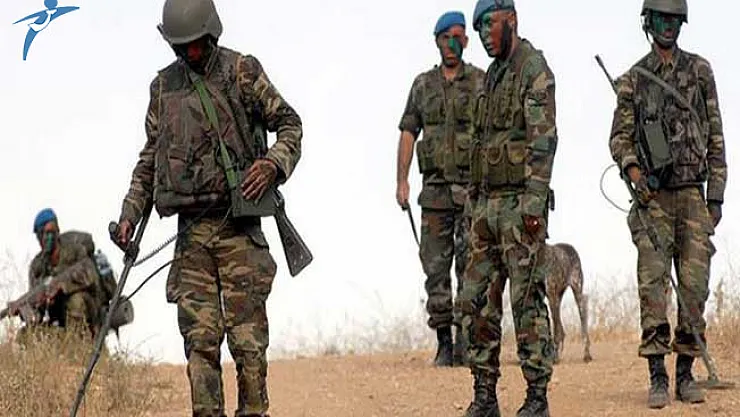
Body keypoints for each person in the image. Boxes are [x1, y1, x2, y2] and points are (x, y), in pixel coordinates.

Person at [113, 0, 302, 416]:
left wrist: (272, 164)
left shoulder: (241, 71)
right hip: (191, 236)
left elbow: (290, 123)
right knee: (199, 341)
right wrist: (129, 213)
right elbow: (150, 159)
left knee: (248, 341)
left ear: (212, 33)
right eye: (182, 46)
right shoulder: (163, 87)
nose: (191, 52)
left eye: (197, 44)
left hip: (239, 228)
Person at [608, 0, 726, 409]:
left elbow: (715, 134)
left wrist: (716, 195)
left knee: (694, 288)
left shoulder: (700, 71)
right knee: (653, 287)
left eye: (675, 20)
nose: (668, 26)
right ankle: (657, 374)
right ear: (649, 21)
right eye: (661, 18)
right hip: (654, 199)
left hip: (693, 194)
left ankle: (686, 373)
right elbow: (619, 138)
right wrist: (635, 172)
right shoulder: (633, 80)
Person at [458, 0, 558, 415]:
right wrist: (472, 202)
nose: (484, 34)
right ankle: (485, 397)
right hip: (486, 207)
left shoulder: (533, 68)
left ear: (511, 20)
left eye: (490, 25)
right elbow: (478, 142)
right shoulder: (491, 76)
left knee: (526, 301)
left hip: (520, 207)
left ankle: (537, 398)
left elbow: (543, 140)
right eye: (479, 28)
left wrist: (534, 203)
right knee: (476, 300)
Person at [395, 10, 485, 367]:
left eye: (458, 37)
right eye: (446, 37)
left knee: (471, 267)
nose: (452, 43)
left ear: (466, 42)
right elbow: (408, 132)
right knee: (435, 270)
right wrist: (402, 181)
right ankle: (444, 342)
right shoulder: (422, 85)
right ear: (436, 41)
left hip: (471, 193)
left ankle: (467, 340)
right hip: (433, 195)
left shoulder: (480, 82)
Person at [10, 208, 108, 345]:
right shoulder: (37, 266)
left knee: (76, 301)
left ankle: (80, 346)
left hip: (88, 312)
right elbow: (37, 313)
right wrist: (28, 309)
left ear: (57, 231)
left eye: (51, 232)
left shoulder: (74, 250)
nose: (47, 238)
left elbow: (89, 273)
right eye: (42, 233)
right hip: (58, 318)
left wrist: (61, 285)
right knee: (24, 335)